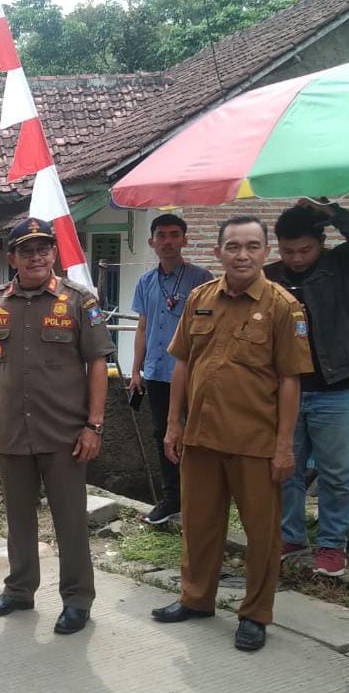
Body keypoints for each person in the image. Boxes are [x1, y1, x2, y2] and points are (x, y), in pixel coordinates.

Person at [153, 215, 313, 652]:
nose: (243, 255)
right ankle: (196, 598)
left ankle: (255, 614)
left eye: (253, 246)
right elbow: (182, 362)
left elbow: (290, 380)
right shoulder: (200, 298)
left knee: (262, 535)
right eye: (234, 246)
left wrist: (285, 445)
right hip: (201, 436)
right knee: (199, 525)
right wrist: (174, 423)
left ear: (266, 252)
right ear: (218, 252)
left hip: (255, 442)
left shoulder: (283, 306)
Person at [0, 217, 114, 635]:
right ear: (12, 257)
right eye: (26, 250)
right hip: (13, 430)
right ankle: (19, 590)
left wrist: (94, 425)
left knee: (70, 521)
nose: (36, 257)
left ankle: (77, 600)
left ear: (54, 253)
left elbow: (97, 363)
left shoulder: (79, 300)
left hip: (65, 433)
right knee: (18, 519)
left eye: (43, 248)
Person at [264, 199, 349, 577]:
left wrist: (331, 211)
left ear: (322, 243)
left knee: (337, 473)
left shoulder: (342, 264)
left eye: (305, 250)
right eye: (288, 251)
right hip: (287, 390)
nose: (297, 258)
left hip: (339, 387)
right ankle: (291, 537)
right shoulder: (269, 278)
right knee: (285, 468)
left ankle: (332, 544)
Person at [129, 213, 215, 525]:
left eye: (174, 234)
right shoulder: (145, 281)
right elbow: (142, 327)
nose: (168, 241)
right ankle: (171, 498)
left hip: (193, 373)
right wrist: (136, 370)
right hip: (156, 372)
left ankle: (201, 498)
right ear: (152, 242)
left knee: (198, 435)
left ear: (184, 240)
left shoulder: (202, 279)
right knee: (162, 434)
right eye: (161, 235)